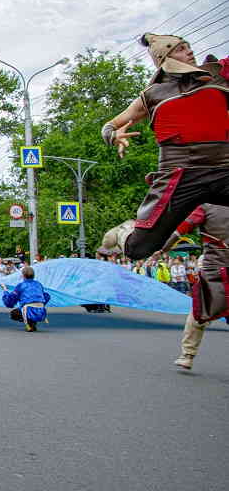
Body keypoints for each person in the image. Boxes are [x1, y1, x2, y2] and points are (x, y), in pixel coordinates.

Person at [98, 33, 229, 258]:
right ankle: (123, 232)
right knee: (138, 249)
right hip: (178, 177)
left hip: (223, 169)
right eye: (181, 49)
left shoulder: (216, 77)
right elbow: (109, 125)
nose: (189, 51)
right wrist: (114, 135)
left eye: (189, 46)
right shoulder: (152, 95)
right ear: (165, 57)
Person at [156, 204, 229, 370]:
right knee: (199, 312)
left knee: (198, 314)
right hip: (215, 270)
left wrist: (163, 249)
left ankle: (187, 355)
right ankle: (187, 355)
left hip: (215, 271)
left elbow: (179, 231)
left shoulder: (206, 207)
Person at [1, 267, 50, 332]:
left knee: (13, 314)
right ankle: (32, 321)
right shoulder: (38, 284)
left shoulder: (21, 285)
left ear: (23, 275)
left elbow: (10, 300)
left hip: (28, 310)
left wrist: (5, 290)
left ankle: (30, 322)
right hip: (42, 312)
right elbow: (46, 296)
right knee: (27, 306)